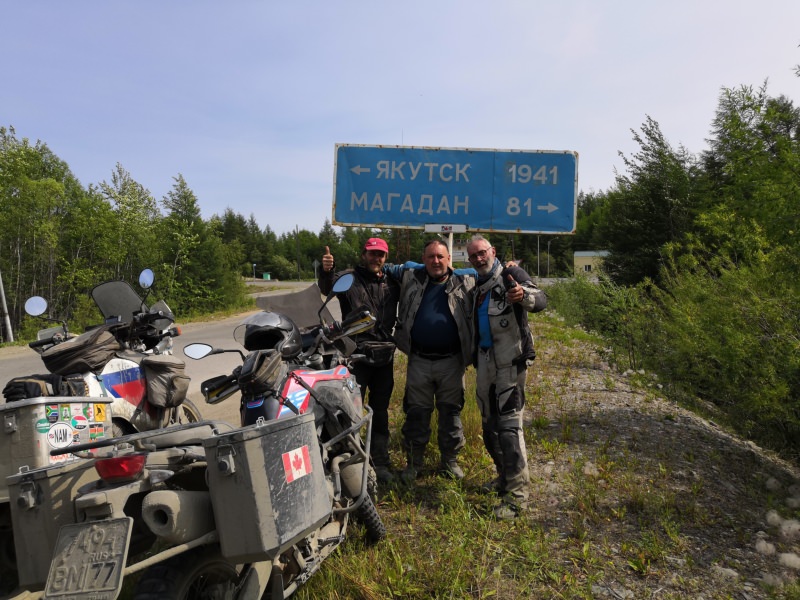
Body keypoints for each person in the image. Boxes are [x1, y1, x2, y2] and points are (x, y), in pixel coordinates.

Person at [466, 234, 547, 520]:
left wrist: (523, 296)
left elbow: (540, 299)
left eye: (482, 253)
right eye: (473, 255)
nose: (478, 258)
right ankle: (504, 478)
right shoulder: (478, 286)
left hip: (510, 365)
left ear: (493, 252)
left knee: (510, 429)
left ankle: (517, 496)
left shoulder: (511, 274)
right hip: (485, 364)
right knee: (490, 427)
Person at [390, 240, 475, 482]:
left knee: (451, 413)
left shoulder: (466, 280)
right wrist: (328, 272)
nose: (435, 261)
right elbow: (379, 268)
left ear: (449, 259)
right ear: (423, 259)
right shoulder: (411, 277)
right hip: (419, 360)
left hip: (452, 361)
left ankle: (449, 461)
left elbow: (492, 269)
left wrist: (510, 267)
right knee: (416, 413)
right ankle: (414, 462)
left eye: (440, 257)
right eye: (430, 257)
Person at [318, 238, 400, 484]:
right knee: (350, 412)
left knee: (380, 410)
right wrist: (327, 270)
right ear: (364, 254)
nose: (377, 259)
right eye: (373, 254)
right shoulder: (349, 278)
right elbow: (327, 287)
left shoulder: (391, 281)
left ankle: (380, 460)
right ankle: (352, 462)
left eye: (381, 255)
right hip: (356, 357)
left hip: (384, 355)